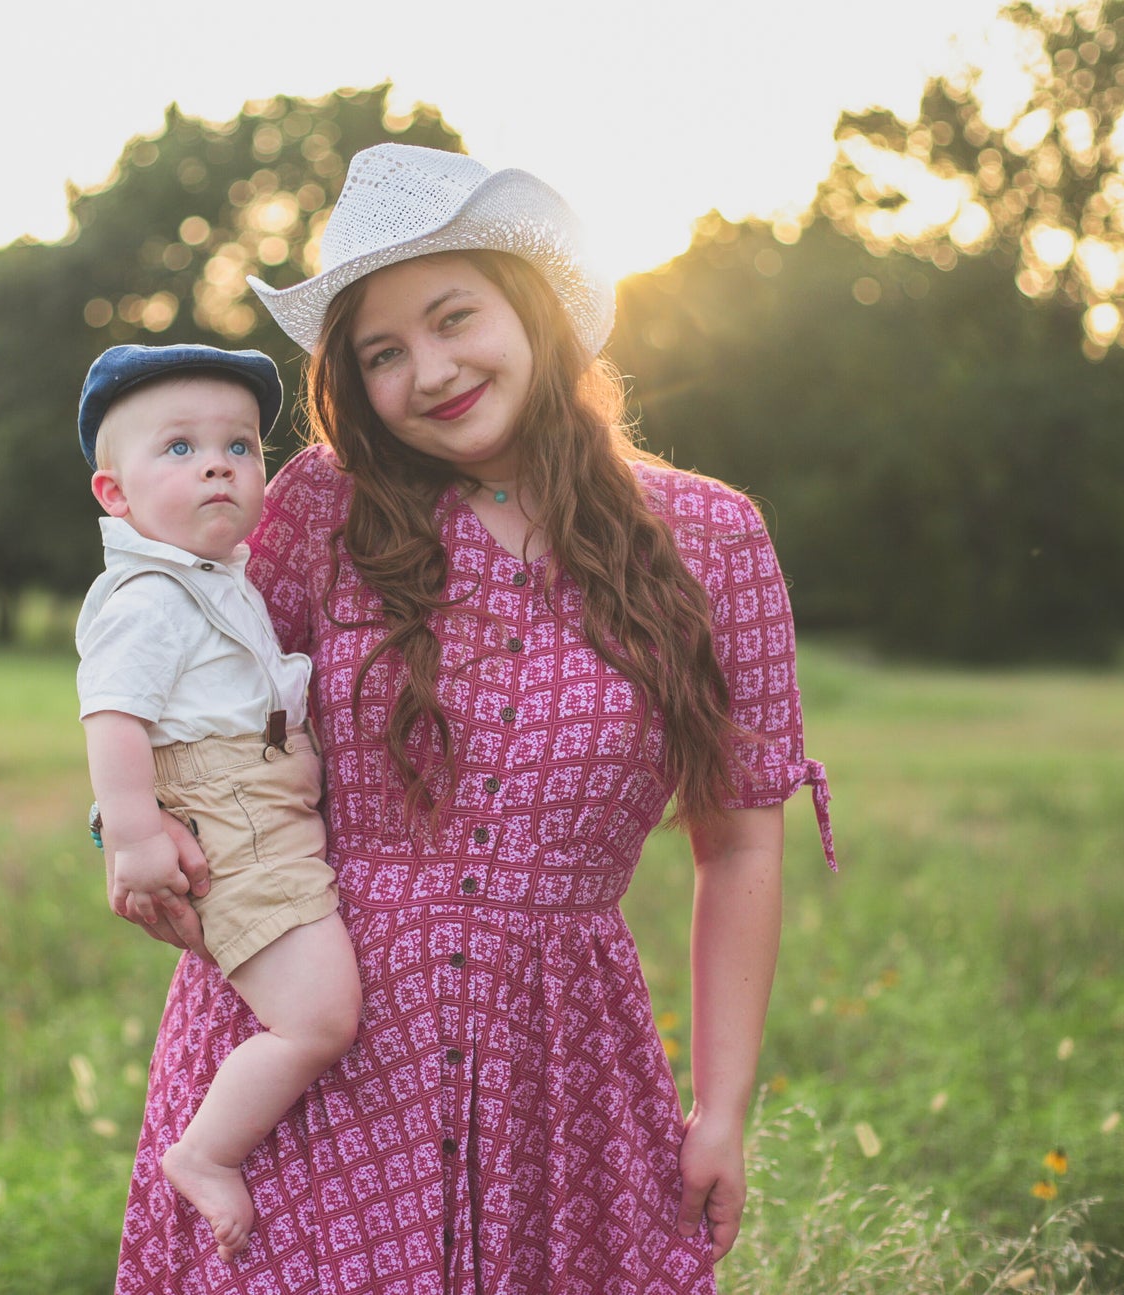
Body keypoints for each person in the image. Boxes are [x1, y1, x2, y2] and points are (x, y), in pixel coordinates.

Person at [111, 144, 835, 1294]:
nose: (430, 371)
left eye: (454, 318)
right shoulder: (321, 507)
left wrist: (720, 1104)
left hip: (559, 1072)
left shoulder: (710, 539)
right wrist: (135, 832)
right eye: (382, 353)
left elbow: (739, 837)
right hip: (307, 1039)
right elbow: (175, 676)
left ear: (532, 307)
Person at [75, 344, 361, 1263]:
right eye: (180, 448)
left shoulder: (213, 576)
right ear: (114, 495)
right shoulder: (151, 595)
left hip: (259, 807)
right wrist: (133, 835)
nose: (217, 464)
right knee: (320, 1019)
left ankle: (210, 1145)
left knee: (320, 1007)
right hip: (231, 818)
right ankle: (205, 1152)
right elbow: (112, 715)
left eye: (241, 446)